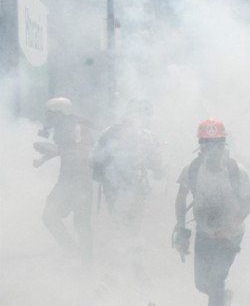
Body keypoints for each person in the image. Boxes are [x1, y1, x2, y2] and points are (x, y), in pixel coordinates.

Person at [173, 118, 250, 306]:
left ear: (224, 144)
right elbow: (181, 197)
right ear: (200, 145)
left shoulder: (237, 171)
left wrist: (229, 228)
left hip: (230, 236)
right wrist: (181, 229)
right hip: (204, 233)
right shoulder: (192, 169)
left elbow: (247, 205)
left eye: (217, 142)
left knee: (216, 278)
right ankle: (223, 299)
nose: (212, 148)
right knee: (201, 283)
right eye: (207, 143)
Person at [90, 99, 164, 278]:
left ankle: (124, 266)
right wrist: (158, 171)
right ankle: (133, 267)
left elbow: (94, 162)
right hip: (132, 189)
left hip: (114, 190)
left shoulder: (107, 133)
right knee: (132, 228)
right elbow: (157, 167)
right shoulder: (145, 136)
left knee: (121, 226)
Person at [33, 97, 95, 259]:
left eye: (51, 115)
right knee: (67, 219)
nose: (48, 119)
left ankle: (81, 259)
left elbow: (80, 151)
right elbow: (65, 148)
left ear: (60, 114)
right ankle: (79, 257)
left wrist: (53, 149)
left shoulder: (77, 127)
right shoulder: (64, 127)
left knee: (75, 222)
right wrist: (43, 158)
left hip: (79, 181)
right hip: (71, 179)